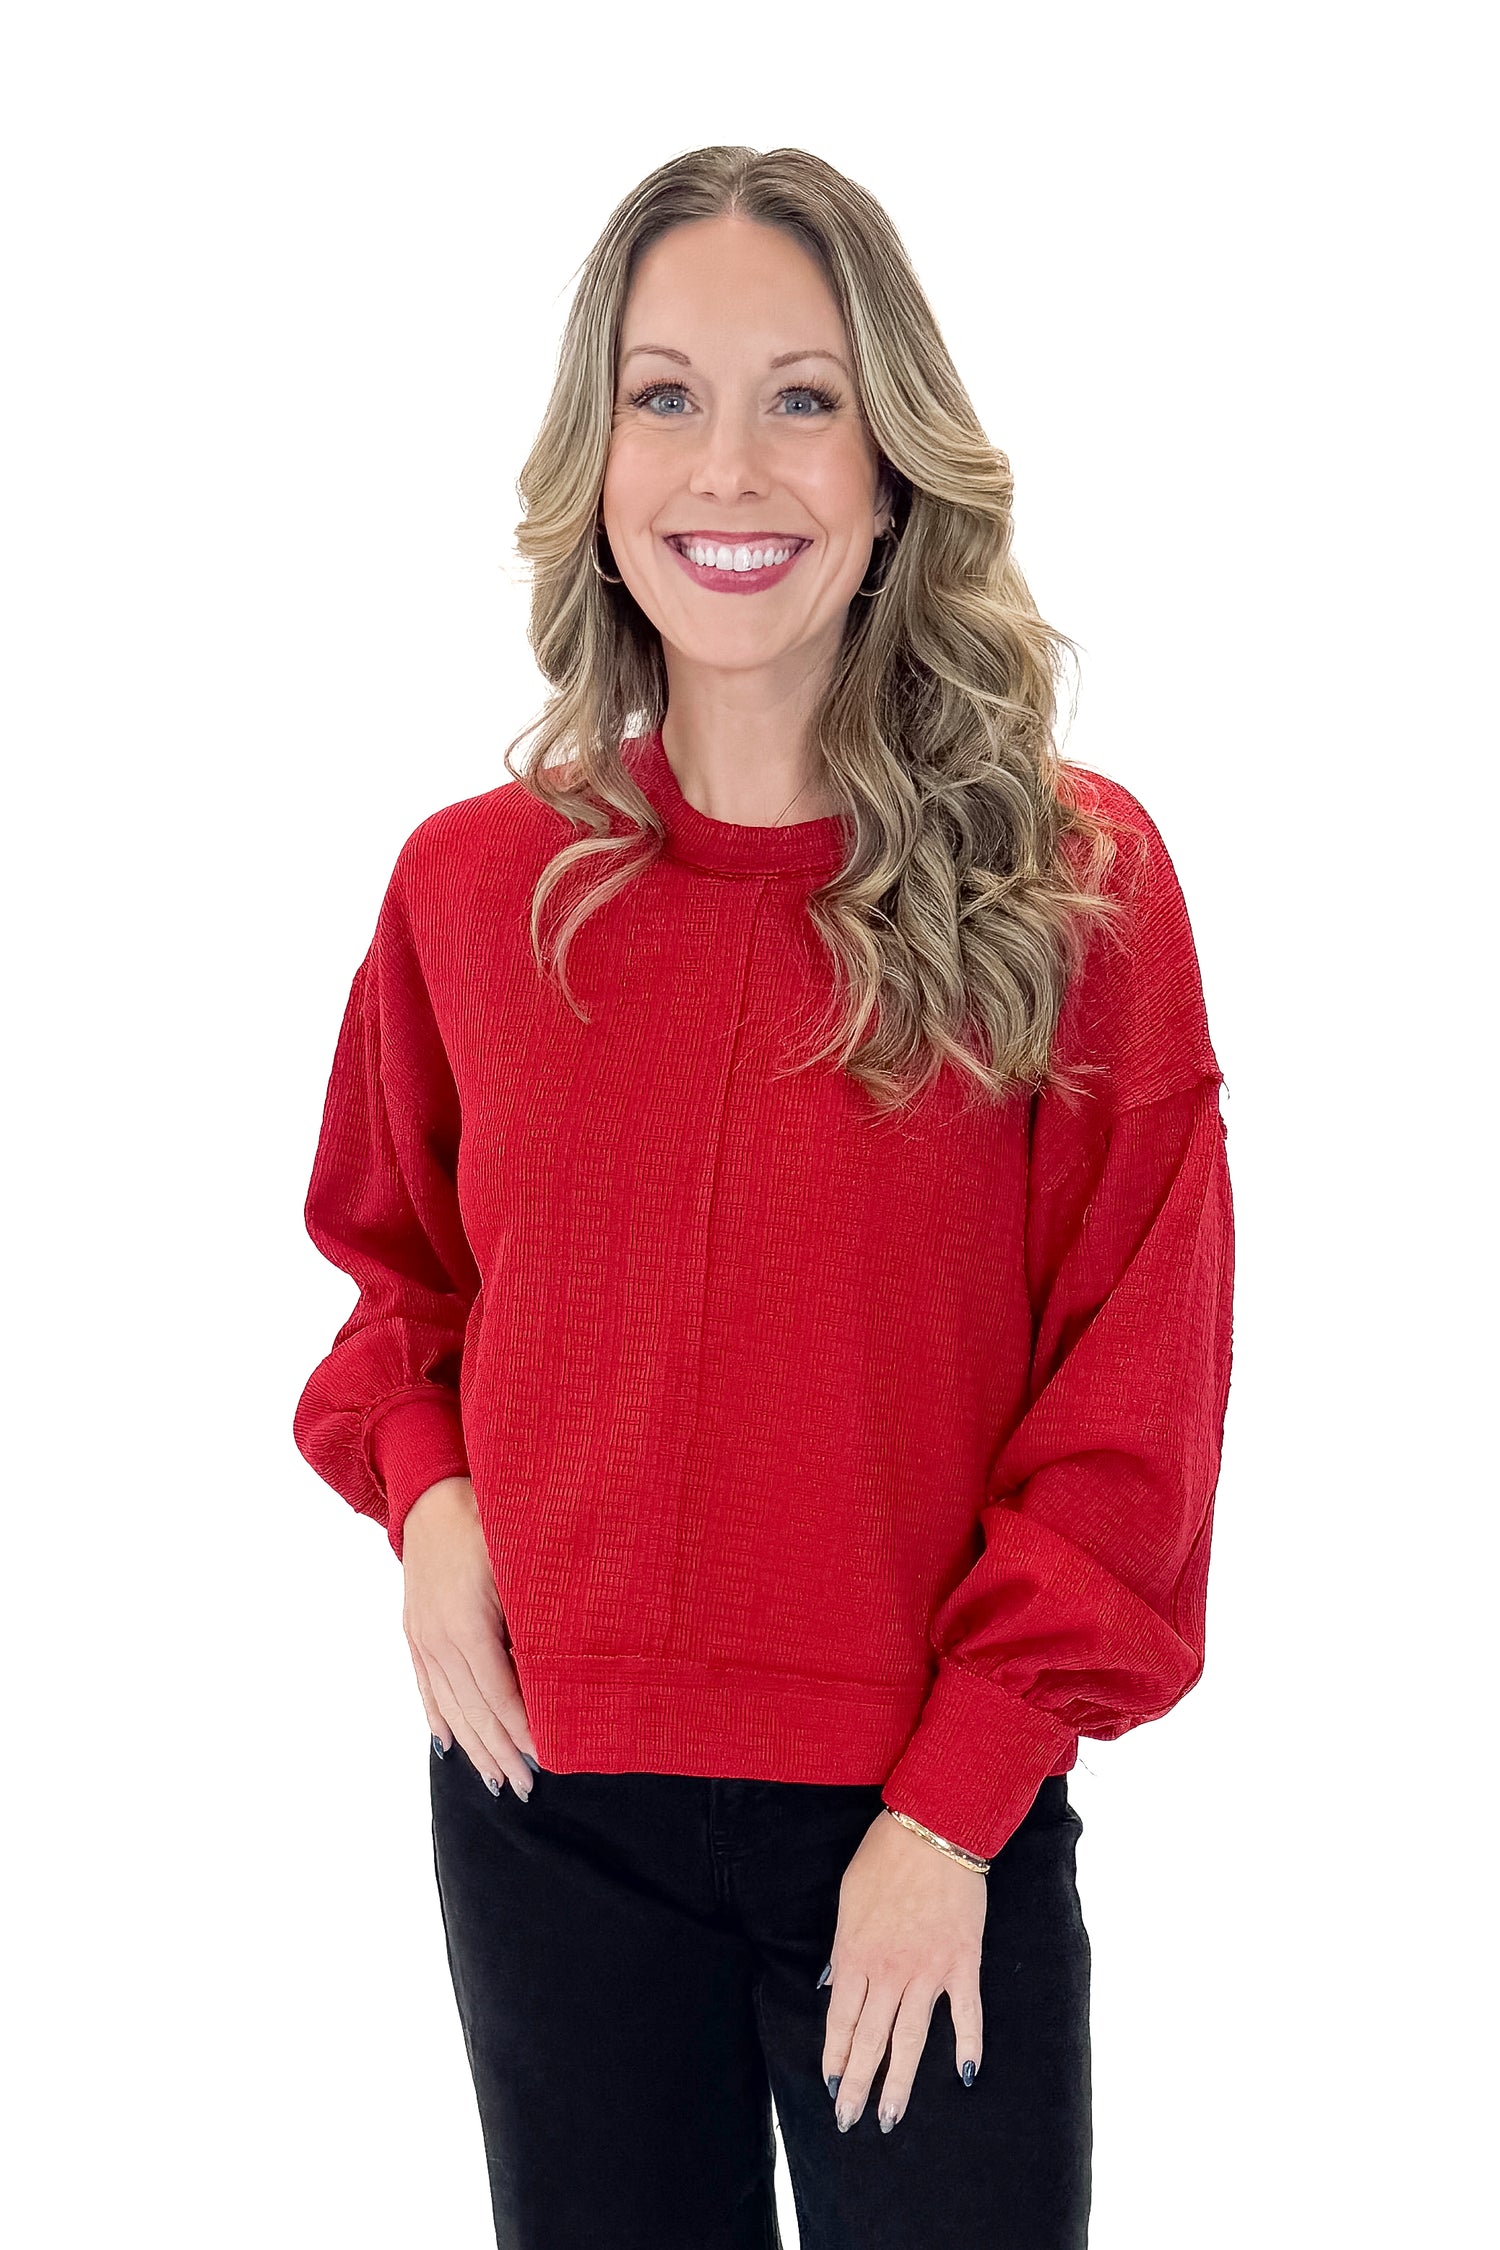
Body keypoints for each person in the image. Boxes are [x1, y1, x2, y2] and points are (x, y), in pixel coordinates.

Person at [292, 144, 1235, 2250]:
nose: (735, 466)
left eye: (805, 396)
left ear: (895, 462)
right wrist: (430, 1499)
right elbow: (393, 1275)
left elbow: (1134, 1401)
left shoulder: (1071, 889)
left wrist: (954, 1803)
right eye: (668, 395)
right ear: (595, 457)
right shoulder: (472, 887)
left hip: (919, 1817)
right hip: (547, 1809)